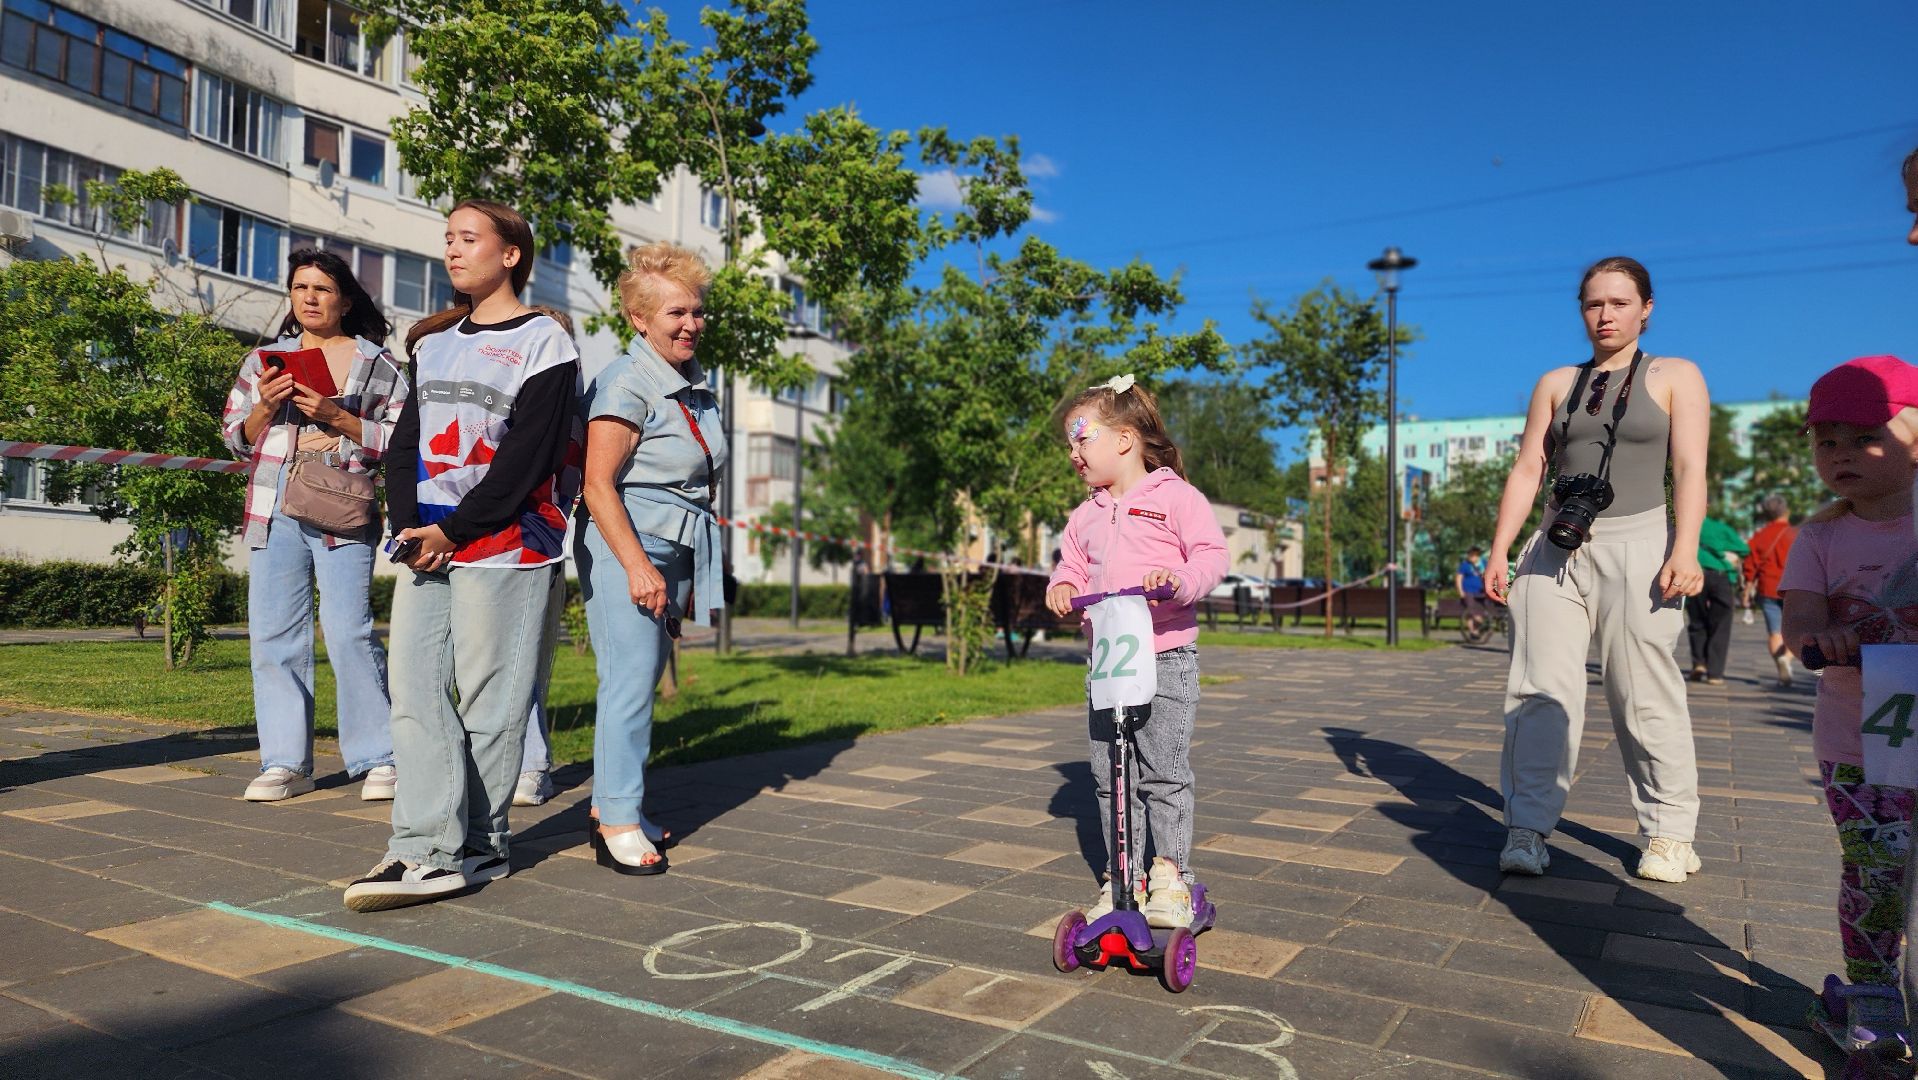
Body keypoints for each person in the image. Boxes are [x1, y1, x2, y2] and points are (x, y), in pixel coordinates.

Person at [342, 199, 581, 912]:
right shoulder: (435, 343)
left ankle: (472, 846)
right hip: (431, 543)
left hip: (508, 545)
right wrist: (412, 526)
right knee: (414, 694)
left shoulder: (545, 341)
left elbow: (527, 457)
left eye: (468, 238)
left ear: (510, 254)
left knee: (490, 703)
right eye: (448, 237)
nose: (452, 249)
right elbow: (405, 445)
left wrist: (457, 530)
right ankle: (428, 845)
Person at [1484, 256, 1709, 883]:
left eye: (1619, 302)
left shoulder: (1676, 374)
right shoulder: (1557, 381)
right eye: (1593, 303)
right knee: (1538, 691)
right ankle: (1527, 827)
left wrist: (1685, 547)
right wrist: (1500, 548)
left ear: (1646, 308)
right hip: (1555, 545)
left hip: (1643, 543)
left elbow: (1691, 467)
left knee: (1643, 691)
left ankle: (1670, 833)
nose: (1605, 315)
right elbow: (1529, 467)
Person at [221, 249, 405, 803]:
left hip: (340, 506)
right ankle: (285, 763)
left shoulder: (378, 363)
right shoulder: (265, 361)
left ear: (345, 301)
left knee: (349, 631)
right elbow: (235, 437)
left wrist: (336, 416)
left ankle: (380, 757)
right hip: (272, 505)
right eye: (300, 287)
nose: (309, 298)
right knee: (274, 635)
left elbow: (401, 441)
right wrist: (264, 407)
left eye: (322, 289)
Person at [1045, 374, 1228, 926]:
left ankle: (1171, 876)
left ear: (1124, 440)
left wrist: (1179, 581)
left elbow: (1210, 555)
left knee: (1163, 771)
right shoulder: (1086, 515)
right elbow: (1072, 564)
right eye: (1071, 443)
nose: (1074, 453)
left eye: (1083, 439)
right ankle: (1123, 879)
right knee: (1110, 775)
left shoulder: (1176, 498)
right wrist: (1063, 586)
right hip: (1108, 662)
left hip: (1165, 655)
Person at [575, 241, 728, 875]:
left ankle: (616, 807)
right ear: (639, 319)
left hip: (675, 543)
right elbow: (597, 484)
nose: (691, 324)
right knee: (630, 686)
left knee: (636, 683)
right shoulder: (626, 381)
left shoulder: (688, 384)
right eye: (676, 313)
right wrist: (640, 566)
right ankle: (617, 821)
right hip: (630, 545)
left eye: (696, 311)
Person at [1781, 355, 1918, 1052]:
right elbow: (1799, 624)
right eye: (1826, 441)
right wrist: (1819, 638)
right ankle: (1873, 999)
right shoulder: (1821, 537)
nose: (1841, 454)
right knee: (1875, 874)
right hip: (1857, 743)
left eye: (1865, 437)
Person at [1685, 512, 1748, 686]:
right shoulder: (1720, 528)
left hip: (1693, 574)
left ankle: (1699, 663)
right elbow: (1743, 549)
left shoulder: (1682, 524)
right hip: (1720, 575)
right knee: (1721, 624)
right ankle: (1715, 673)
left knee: (1696, 620)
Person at [1742, 494, 1798, 689]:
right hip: (1794, 589)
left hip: (1767, 588)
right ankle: (1786, 659)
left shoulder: (1759, 536)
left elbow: (1750, 564)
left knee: (1775, 632)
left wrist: (1747, 587)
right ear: (1786, 511)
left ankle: (1781, 667)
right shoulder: (1797, 534)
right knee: (1796, 631)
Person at [1455, 545, 1489, 635]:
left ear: (1477, 555)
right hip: (1468, 591)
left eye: (1473, 555)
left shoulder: (1484, 563)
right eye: (1470, 555)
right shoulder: (1465, 565)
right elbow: (1458, 578)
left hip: (1481, 591)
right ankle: (1473, 631)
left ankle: (1478, 628)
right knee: (1470, 611)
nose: (1471, 557)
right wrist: (1460, 591)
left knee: (1480, 610)